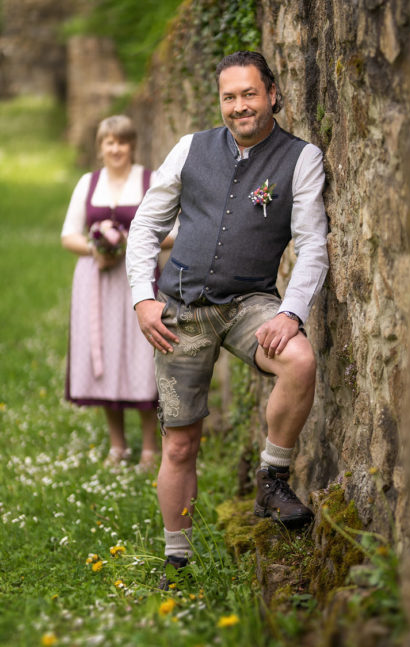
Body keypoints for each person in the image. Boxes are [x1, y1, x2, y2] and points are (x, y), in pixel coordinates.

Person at [126, 51, 329, 583]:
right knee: (180, 442)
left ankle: (272, 477)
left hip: (249, 304)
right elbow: (146, 226)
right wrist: (142, 298)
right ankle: (177, 560)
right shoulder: (190, 149)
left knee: (300, 359)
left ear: (273, 94)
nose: (240, 106)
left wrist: (291, 312)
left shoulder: (300, 158)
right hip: (181, 310)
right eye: (230, 97)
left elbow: (311, 246)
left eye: (250, 94)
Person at [61, 115, 175, 471]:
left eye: (122, 142)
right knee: (106, 355)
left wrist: (128, 243)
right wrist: (97, 248)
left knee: (142, 355)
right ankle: (117, 445)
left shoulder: (149, 180)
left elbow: (173, 233)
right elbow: (69, 235)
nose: (116, 149)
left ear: (132, 145)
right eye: (109, 142)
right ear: (101, 147)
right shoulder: (88, 183)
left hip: (139, 282)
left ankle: (148, 449)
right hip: (96, 282)